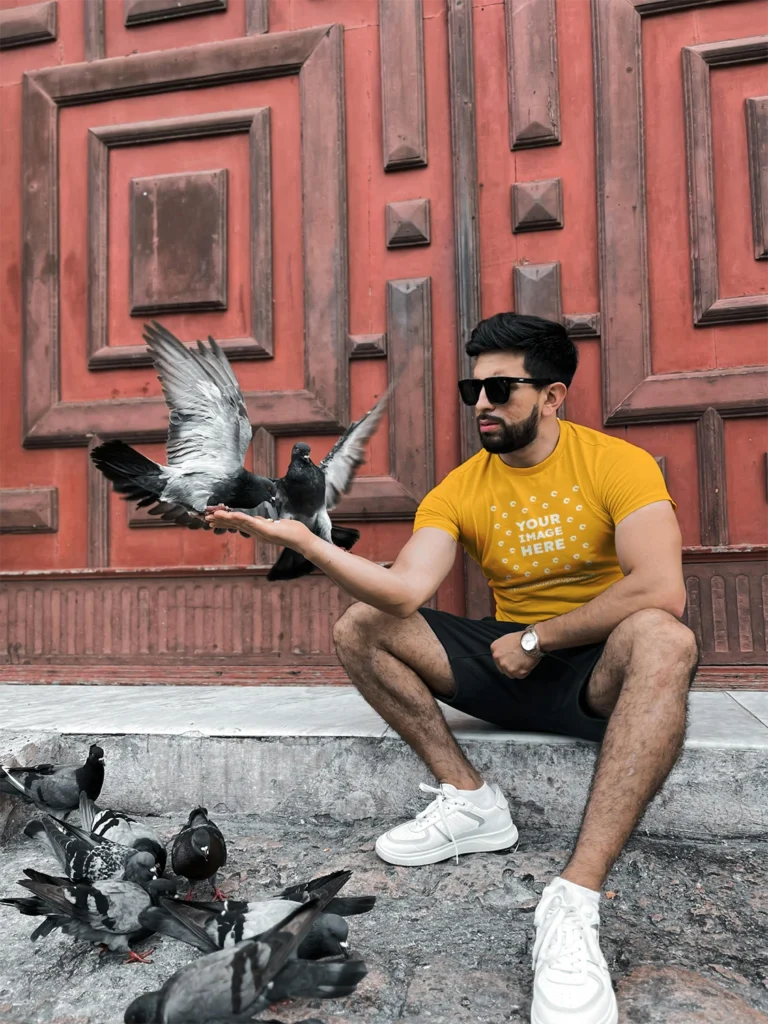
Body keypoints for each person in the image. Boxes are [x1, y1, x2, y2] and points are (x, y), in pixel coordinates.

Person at [206, 312, 699, 1024]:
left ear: (553, 396)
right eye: (474, 388)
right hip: (507, 664)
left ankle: (572, 901)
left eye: (501, 388)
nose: (482, 404)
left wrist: (539, 637)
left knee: (665, 639)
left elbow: (660, 587)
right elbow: (404, 591)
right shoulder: (460, 488)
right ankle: (470, 800)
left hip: (594, 667)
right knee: (362, 626)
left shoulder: (616, 464)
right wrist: (296, 538)